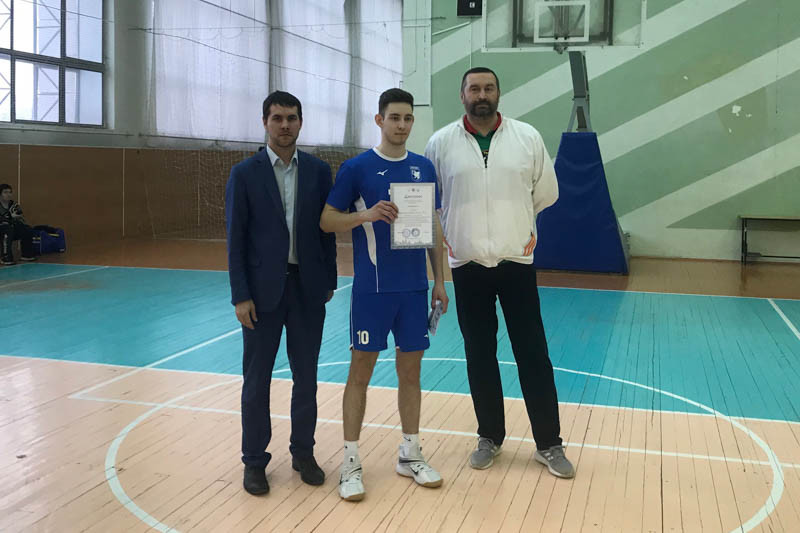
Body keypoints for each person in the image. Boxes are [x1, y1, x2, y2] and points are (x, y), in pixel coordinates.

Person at [424, 67, 575, 479]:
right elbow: (432, 200)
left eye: (488, 88)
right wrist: (455, 242)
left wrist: (519, 229)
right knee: (479, 355)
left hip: (516, 263)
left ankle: (549, 443)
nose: (482, 94)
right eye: (474, 88)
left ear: (498, 93)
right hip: (467, 264)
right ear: (462, 95)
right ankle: (489, 436)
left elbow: (545, 192)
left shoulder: (527, 137)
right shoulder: (440, 143)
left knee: (533, 354)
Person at [320, 88, 449, 501]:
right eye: (395, 117)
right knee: (360, 373)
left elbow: (433, 224)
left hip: (413, 291)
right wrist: (366, 215)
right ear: (379, 120)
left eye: (408, 118)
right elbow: (327, 220)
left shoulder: (423, 167)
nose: (402, 125)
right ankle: (350, 461)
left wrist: (440, 280)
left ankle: (410, 454)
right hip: (372, 291)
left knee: (411, 373)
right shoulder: (357, 168)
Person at [225, 91, 337, 496]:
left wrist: (329, 280)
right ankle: (254, 461)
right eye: (277, 118)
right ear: (265, 123)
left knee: (306, 378)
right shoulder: (244, 174)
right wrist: (240, 295)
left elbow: (326, 231)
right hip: (261, 295)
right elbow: (235, 239)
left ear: (300, 122)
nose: (285, 125)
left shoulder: (319, 171)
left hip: (307, 290)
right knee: (257, 381)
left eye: (291, 118)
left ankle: (303, 453)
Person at [0, 184, 37, 265]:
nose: (8, 194)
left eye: (10, 192)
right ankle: (5, 257)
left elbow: (20, 216)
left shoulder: (14, 204)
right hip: (3, 230)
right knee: (7, 229)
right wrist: (10, 217)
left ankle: (27, 255)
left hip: (12, 228)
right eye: (5, 192)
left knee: (27, 229)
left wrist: (17, 217)